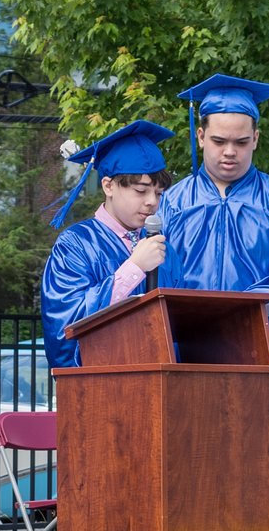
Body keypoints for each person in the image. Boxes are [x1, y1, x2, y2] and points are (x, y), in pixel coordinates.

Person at [156, 74, 269, 407]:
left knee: (264, 452)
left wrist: (241, 314)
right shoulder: (171, 204)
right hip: (187, 357)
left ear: (256, 139)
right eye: (220, 141)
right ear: (201, 136)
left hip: (263, 358)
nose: (230, 152)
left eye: (241, 142)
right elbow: (154, 284)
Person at [39, 121, 172, 369]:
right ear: (108, 186)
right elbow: (64, 327)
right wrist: (133, 268)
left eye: (158, 193)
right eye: (141, 191)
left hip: (160, 387)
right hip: (102, 388)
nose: (152, 202)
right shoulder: (76, 244)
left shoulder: (163, 248)